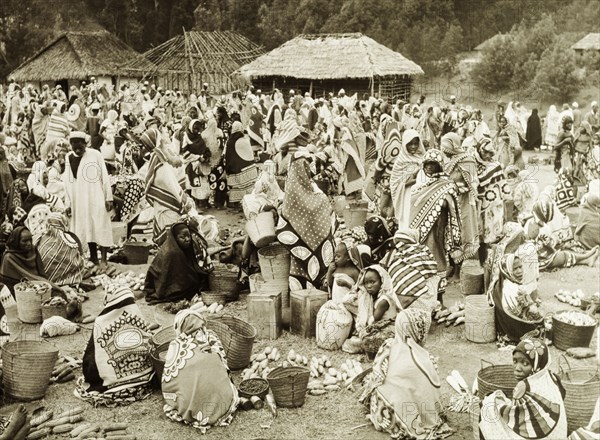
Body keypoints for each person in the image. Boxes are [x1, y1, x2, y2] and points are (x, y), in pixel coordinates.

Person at [359, 309, 452, 439]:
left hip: (381, 407)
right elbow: (428, 393)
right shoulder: (420, 359)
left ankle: (382, 419)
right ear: (417, 332)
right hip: (400, 413)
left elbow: (376, 378)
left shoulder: (388, 345)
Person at [75, 286, 154, 407]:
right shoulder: (138, 316)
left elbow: (91, 358)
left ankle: (115, 380)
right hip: (145, 378)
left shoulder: (101, 323)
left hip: (113, 383)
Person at [161, 309, 238, 432]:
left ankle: (193, 406)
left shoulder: (175, 345)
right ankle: (218, 402)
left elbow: (168, 378)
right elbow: (223, 363)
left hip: (188, 403)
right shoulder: (211, 336)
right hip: (221, 401)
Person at [479, 338, 567, 439]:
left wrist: (494, 401)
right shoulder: (551, 377)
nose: (517, 368)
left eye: (525, 363)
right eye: (515, 361)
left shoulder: (523, 387)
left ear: (536, 365)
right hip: (558, 434)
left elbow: (515, 419)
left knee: (487, 405)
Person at [409, 149, 462, 304]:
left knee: (438, 261)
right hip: (420, 233)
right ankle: (423, 300)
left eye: (433, 164)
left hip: (438, 230)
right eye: (427, 164)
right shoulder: (420, 184)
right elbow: (414, 204)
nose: (429, 167)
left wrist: (441, 203)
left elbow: (450, 204)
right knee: (422, 262)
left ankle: (439, 300)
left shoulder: (447, 184)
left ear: (440, 166)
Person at [276, 152, 334, 290]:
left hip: (300, 246)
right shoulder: (316, 191)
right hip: (317, 240)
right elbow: (326, 208)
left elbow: (286, 215)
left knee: (298, 267)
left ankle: (299, 299)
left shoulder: (290, 189)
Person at [63, 131, 114, 270]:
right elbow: (67, 182)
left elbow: (104, 175)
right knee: (88, 227)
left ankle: (104, 259)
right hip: (79, 199)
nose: (77, 147)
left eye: (79, 144)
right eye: (73, 144)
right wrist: (68, 203)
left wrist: (108, 197)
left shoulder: (95, 155)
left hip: (96, 196)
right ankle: (93, 257)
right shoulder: (68, 158)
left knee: (101, 225)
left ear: (85, 143)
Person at [144, 220, 213, 304]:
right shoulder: (173, 252)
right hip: (168, 285)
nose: (187, 239)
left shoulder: (187, 248)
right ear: (175, 238)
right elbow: (176, 277)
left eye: (188, 236)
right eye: (182, 237)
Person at [441, 133, 480, 260]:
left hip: (464, 203)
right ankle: (454, 265)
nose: (445, 154)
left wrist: (454, 188)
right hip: (451, 203)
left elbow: (473, 185)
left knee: (464, 231)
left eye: (447, 151)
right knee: (451, 233)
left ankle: (464, 267)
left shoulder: (467, 160)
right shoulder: (449, 160)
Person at [0, 226, 67, 298]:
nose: (29, 243)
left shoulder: (33, 249)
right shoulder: (9, 257)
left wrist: (44, 284)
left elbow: (41, 272)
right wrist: (52, 286)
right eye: (24, 241)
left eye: (30, 240)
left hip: (39, 285)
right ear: (16, 242)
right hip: (17, 292)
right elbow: (27, 277)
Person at [382, 228, 438, 313]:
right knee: (434, 279)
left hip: (402, 308)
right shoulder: (423, 252)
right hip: (427, 303)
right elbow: (433, 272)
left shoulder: (393, 259)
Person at [37, 212, 86, 287]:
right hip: (67, 276)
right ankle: (69, 278)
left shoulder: (41, 237)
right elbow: (79, 256)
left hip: (44, 279)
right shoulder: (69, 238)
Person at [390, 129, 425, 229]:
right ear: (405, 144)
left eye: (415, 143)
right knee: (407, 220)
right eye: (410, 144)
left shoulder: (423, 157)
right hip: (406, 196)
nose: (413, 146)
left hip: (420, 195)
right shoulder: (400, 162)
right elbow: (395, 183)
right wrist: (416, 180)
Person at [225, 121, 259, 209]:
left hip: (236, 168)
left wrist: (228, 168)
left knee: (237, 187)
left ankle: (236, 204)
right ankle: (248, 204)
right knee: (248, 187)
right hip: (249, 168)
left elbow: (228, 156)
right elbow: (249, 155)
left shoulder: (230, 142)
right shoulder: (245, 140)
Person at [575, 184, 600, 249]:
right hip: (596, 245)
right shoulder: (596, 216)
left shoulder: (583, 212)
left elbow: (578, 230)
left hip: (584, 244)